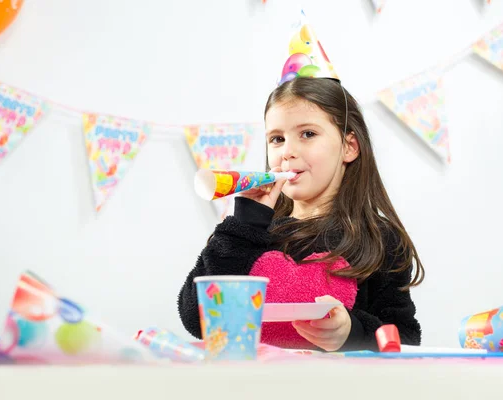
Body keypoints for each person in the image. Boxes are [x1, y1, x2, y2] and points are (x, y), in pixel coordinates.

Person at [177, 77, 424, 351]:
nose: (288, 152)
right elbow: (195, 319)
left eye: (307, 134)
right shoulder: (249, 234)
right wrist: (245, 224)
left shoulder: (380, 238)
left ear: (349, 147)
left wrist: (350, 332)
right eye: (277, 139)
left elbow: (406, 339)